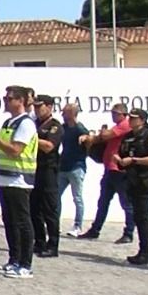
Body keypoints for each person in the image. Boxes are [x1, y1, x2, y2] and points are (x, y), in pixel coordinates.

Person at [0, 86, 38, 278]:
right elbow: (1, 151)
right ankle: (13, 260)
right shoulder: (8, 122)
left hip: (20, 179)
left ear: (20, 101)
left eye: (9, 99)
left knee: (22, 222)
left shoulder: (26, 124)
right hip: (5, 177)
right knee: (10, 221)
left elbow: (16, 150)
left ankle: (25, 264)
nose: (5, 102)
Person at [78, 104, 135, 245]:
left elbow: (105, 136)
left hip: (120, 170)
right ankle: (95, 229)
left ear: (123, 114)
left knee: (126, 204)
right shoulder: (117, 126)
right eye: (112, 113)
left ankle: (128, 233)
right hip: (110, 169)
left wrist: (92, 137)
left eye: (116, 113)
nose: (113, 115)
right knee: (103, 202)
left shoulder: (125, 125)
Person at [119, 108, 148, 266]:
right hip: (132, 179)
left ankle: (147, 252)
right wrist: (120, 160)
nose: (131, 120)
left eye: (134, 118)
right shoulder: (128, 137)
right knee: (138, 215)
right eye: (130, 118)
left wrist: (134, 160)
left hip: (145, 180)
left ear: (142, 120)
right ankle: (143, 251)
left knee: (143, 215)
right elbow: (123, 155)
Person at [30, 95, 64, 258]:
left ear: (49, 107)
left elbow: (49, 146)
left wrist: (30, 139)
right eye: (35, 107)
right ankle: (39, 241)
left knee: (50, 209)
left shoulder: (54, 126)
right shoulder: (33, 124)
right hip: (34, 169)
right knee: (34, 208)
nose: (37, 110)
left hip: (48, 170)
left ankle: (53, 244)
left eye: (40, 106)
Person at [58, 102, 91, 238]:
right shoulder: (63, 128)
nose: (62, 114)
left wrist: (86, 138)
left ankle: (78, 226)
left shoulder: (80, 129)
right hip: (63, 166)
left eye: (65, 112)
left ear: (72, 113)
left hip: (76, 167)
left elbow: (89, 142)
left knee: (77, 198)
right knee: (55, 196)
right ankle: (55, 223)